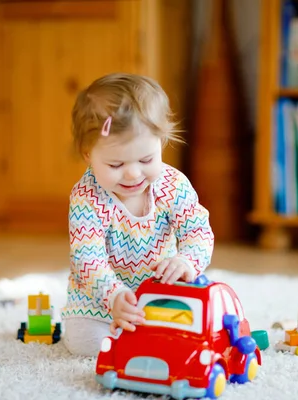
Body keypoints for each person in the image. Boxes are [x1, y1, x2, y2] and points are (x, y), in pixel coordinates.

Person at [60, 72, 215, 357]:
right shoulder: (87, 197)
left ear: (161, 142)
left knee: (196, 330)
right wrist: (114, 296)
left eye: (146, 160)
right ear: (87, 154)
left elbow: (198, 232)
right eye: (116, 163)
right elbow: (87, 259)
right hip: (99, 303)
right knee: (89, 344)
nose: (133, 173)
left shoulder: (174, 185)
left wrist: (186, 260)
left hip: (161, 296)